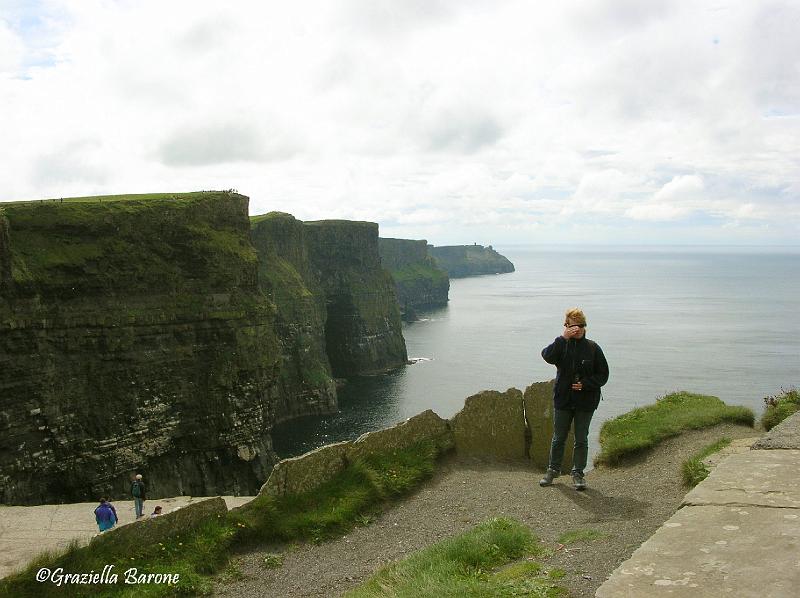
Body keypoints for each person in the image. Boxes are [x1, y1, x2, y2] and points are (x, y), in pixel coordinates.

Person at [539, 307, 609, 490]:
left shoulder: (593, 348)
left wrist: (586, 384)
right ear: (566, 326)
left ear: (585, 326)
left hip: (585, 402)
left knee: (581, 438)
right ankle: (552, 471)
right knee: (558, 437)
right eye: (571, 326)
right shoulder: (562, 345)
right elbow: (546, 355)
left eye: (579, 325)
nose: (576, 329)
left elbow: (603, 375)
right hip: (563, 400)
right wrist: (563, 338)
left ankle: (578, 474)